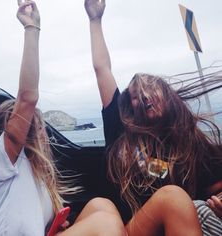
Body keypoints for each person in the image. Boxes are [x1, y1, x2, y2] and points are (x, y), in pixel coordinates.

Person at [0, 1, 126, 236]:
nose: (44, 133)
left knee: (101, 206)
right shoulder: (2, 165)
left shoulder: (40, 178)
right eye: (36, 126)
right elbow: (27, 98)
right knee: (106, 225)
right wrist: (32, 28)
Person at [84, 0, 222, 235]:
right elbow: (102, 69)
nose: (145, 97)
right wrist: (95, 20)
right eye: (136, 96)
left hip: (176, 226)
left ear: (167, 95)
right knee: (173, 198)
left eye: (151, 90)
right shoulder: (120, 130)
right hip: (130, 229)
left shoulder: (190, 143)